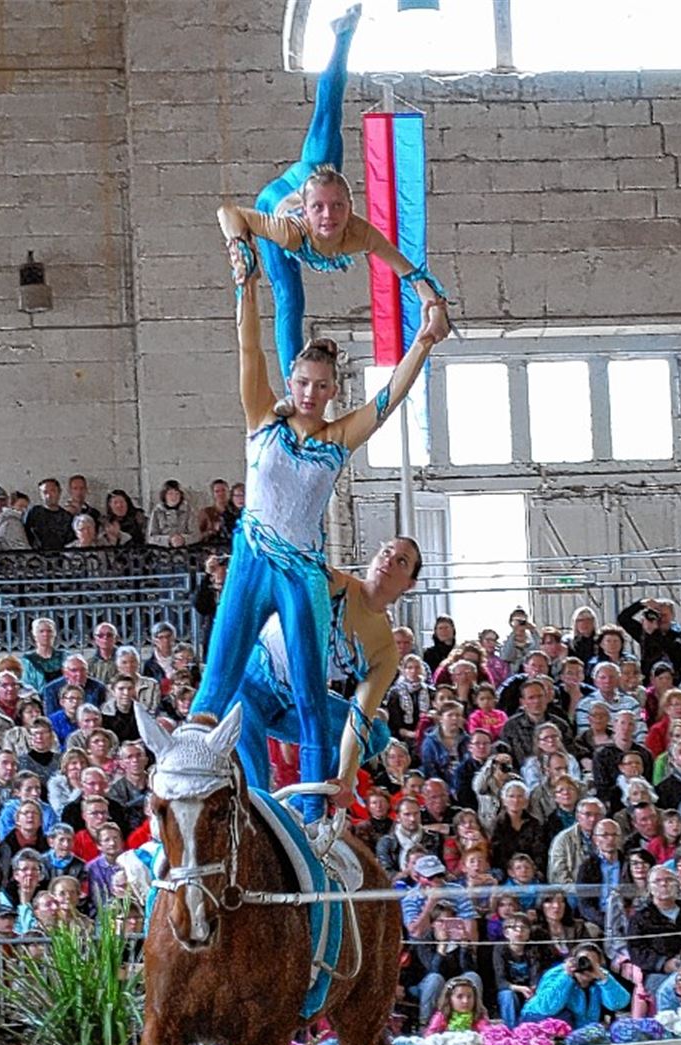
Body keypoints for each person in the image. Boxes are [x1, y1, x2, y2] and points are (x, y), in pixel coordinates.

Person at [188, 250, 444, 824]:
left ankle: (308, 813)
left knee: (310, 696)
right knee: (218, 674)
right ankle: (200, 787)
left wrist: (423, 343)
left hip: (302, 572)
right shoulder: (262, 417)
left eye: (321, 385)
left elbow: (388, 399)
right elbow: (248, 350)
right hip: (253, 555)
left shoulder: (338, 437)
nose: (309, 392)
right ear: (293, 382)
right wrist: (245, 287)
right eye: (302, 382)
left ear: (332, 391)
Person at [218, 5, 447, 379]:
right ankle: (294, 382)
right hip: (276, 203)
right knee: (290, 298)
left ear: (350, 206)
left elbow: (409, 271)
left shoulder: (359, 232)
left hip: (315, 180)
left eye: (338, 207)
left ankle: (343, 35)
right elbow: (229, 213)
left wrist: (432, 303)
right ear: (308, 213)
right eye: (321, 210)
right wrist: (239, 246)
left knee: (327, 144)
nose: (330, 217)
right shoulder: (290, 231)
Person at [234, 537, 420, 804]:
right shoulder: (333, 582)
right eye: (386, 551)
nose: (389, 559)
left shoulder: (386, 650)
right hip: (248, 687)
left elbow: (360, 718)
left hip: (294, 703)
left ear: (409, 584)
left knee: (378, 735)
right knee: (257, 793)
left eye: (401, 561)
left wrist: (345, 776)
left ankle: (300, 805)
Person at [521, 943, 629, 1028]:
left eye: (592, 963)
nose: (586, 967)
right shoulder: (557, 973)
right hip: (540, 1022)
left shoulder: (601, 976)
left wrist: (604, 980)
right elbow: (546, 1008)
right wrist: (566, 976)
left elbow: (618, 1004)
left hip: (578, 1029)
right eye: (582, 961)